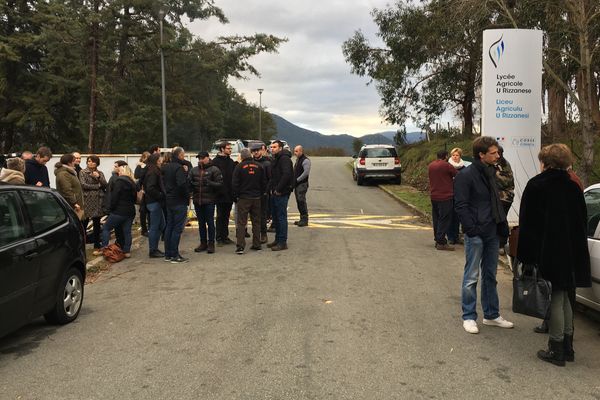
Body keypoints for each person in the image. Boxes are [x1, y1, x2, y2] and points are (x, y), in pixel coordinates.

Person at [517, 144, 591, 366]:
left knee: (557, 297)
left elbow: (528, 225)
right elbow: (582, 221)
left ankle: (556, 348)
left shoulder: (536, 185)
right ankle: (568, 347)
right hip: (572, 250)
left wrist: (526, 258)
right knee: (567, 295)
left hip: (549, 250)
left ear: (545, 162)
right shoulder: (573, 186)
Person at [454, 136, 513, 334]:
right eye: (493, 153)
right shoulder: (466, 175)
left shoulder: (493, 173)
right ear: (481, 155)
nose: (498, 156)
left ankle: (491, 315)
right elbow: (461, 206)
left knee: (490, 275)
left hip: (493, 231)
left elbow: (499, 200)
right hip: (477, 233)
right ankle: (469, 317)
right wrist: (472, 229)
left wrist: (500, 227)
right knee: (471, 276)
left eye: (497, 152)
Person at [232, 148, 266, 254]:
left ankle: (240, 246)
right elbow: (264, 182)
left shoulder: (239, 167)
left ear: (242, 157)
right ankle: (257, 244)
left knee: (242, 222)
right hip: (256, 198)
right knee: (256, 221)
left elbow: (234, 183)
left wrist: (236, 196)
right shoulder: (259, 166)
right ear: (250, 155)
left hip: (243, 198)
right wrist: (260, 193)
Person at [190, 151, 223, 254]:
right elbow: (189, 183)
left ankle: (211, 243)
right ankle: (203, 243)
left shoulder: (214, 169)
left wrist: (209, 183)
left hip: (209, 201)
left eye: (202, 158)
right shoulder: (194, 170)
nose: (200, 160)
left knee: (210, 223)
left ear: (208, 158)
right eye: (199, 158)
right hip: (198, 201)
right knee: (201, 223)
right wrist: (192, 185)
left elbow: (220, 184)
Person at [101, 165, 137, 257]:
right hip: (130, 211)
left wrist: (111, 209)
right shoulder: (132, 182)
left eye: (120, 171)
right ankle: (127, 251)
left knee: (106, 228)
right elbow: (135, 198)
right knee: (127, 231)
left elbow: (114, 197)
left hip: (119, 211)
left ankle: (104, 248)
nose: (118, 172)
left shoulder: (119, 181)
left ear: (123, 172)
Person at [162, 147, 191, 263]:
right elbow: (181, 184)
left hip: (169, 200)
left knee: (169, 226)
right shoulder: (179, 168)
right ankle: (175, 255)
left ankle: (168, 254)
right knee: (177, 228)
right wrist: (187, 196)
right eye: (183, 155)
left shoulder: (166, 167)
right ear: (179, 155)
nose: (184, 158)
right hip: (179, 201)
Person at [428, 150, 457, 251]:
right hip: (445, 196)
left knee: (436, 218)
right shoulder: (446, 165)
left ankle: (437, 238)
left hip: (434, 195)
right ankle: (441, 242)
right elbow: (456, 174)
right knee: (444, 219)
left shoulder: (431, 165)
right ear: (446, 156)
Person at [267, 140, 294, 251]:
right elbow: (273, 177)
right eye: (271, 147)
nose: (272, 149)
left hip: (281, 193)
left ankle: (282, 242)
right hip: (274, 192)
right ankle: (277, 239)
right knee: (276, 217)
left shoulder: (284, 159)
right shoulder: (276, 159)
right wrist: (269, 188)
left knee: (281, 217)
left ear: (280, 148)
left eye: (274, 147)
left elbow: (286, 175)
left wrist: (278, 189)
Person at [80, 155, 108, 255]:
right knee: (84, 222)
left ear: (97, 163)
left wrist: (99, 177)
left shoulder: (100, 173)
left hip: (98, 200)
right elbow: (83, 185)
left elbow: (105, 184)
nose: (90, 163)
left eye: (92, 162)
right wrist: (97, 186)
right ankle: (81, 244)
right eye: (89, 161)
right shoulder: (83, 172)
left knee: (97, 223)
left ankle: (97, 244)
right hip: (88, 200)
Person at [211, 141, 236, 246]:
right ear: (222, 149)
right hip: (219, 194)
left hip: (229, 194)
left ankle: (225, 236)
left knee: (226, 216)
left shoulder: (230, 162)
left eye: (230, 148)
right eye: (228, 148)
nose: (230, 150)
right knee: (220, 216)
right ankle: (219, 238)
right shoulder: (215, 162)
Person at [143, 153, 166, 258]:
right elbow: (150, 188)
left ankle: (155, 249)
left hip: (154, 202)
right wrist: (160, 195)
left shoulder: (152, 170)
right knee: (155, 227)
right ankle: (153, 250)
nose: (162, 160)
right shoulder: (153, 172)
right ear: (157, 160)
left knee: (161, 225)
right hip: (154, 202)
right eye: (160, 159)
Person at [495, 146, 515, 251]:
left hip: (504, 197)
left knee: (501, 219)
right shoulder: (493, 164)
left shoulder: (504, 164)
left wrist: (493, 175)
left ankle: (502, 243)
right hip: (496, 197)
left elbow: (506, 181)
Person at [252, 143, 272, 243]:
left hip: (263, 193)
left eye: (257, 150)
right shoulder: (250, 163)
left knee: (263, 215)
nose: (255, 152)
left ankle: (263, 234)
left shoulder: (267, 163)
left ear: (261, 151)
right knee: (254, 215)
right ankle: (256, 235)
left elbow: (270, 179)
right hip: (252, 193)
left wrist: (266, 191)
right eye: (254, 151)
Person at [447, 147, 465, 245]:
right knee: (450, 216)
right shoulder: (447, 166)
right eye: (453, 155)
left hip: (460, 195)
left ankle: (456, 236)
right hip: (449, 194)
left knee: (458, 216)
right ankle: (450, 237)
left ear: (460, 156)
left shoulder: (464, 168)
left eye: (457, 155)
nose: (455, 157)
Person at [293, 145, 311, 227]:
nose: (295, 153)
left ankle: (305, 219)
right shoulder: (298, 160)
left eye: (296, 151)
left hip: (302, 184)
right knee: (298, 201)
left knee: (301, 201)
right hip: (297, 184)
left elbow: (306, 173)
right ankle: (301, 219)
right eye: (294, 151)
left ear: (301, 151)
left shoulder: (305, 160)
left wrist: (297, 180)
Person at [135, 151, 151, 237]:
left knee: (147, 211)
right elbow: (137, 176)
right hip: (143, 190)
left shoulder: (149, 166)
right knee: (143, 211)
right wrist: (142, 166)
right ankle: (144, 229)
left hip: (148, 190)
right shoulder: (141, 166)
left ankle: (148, 229)